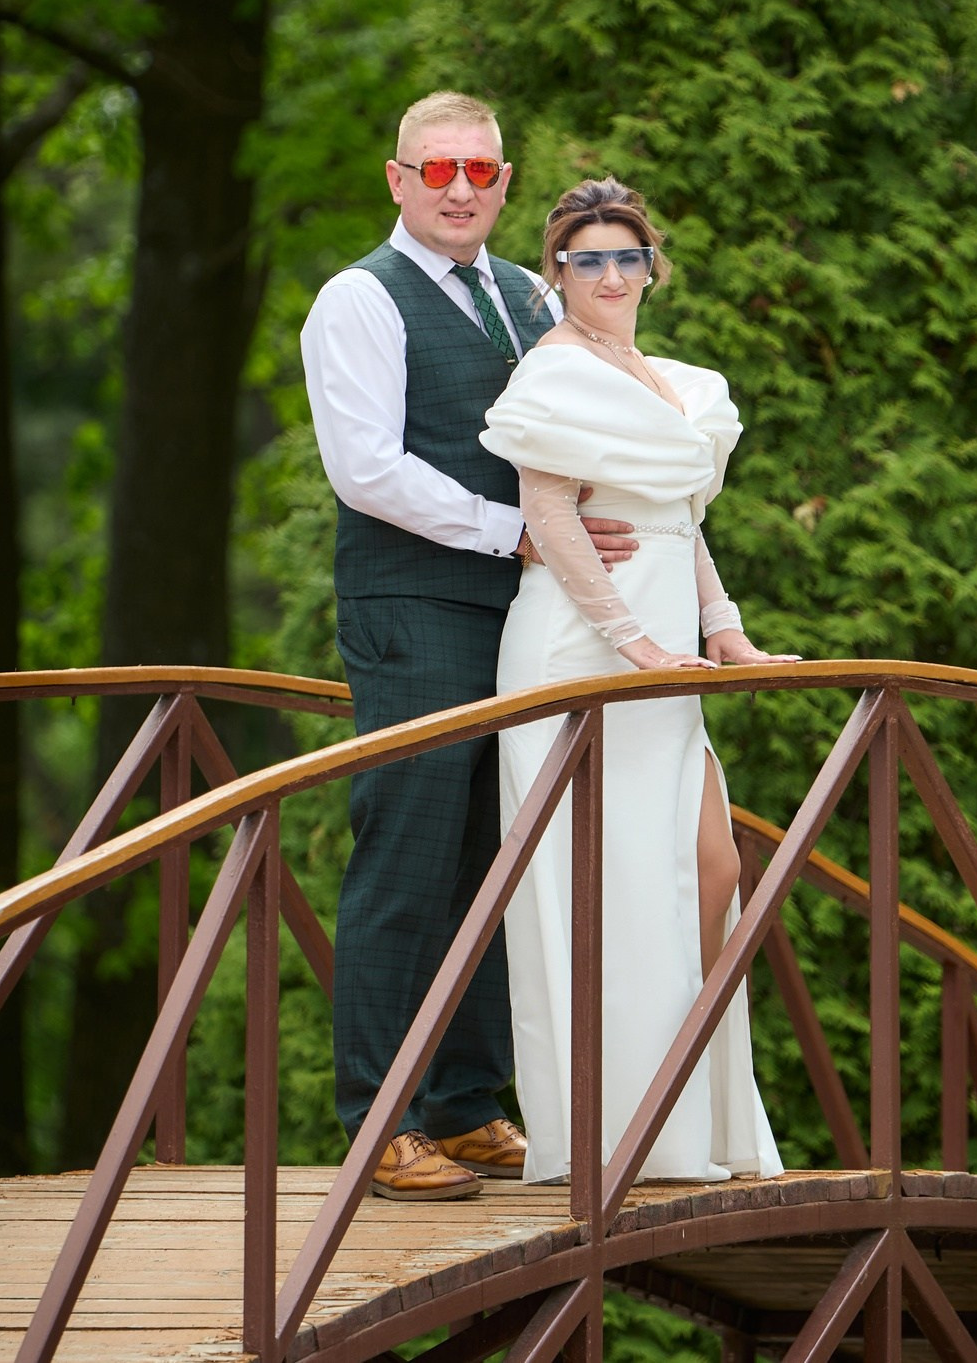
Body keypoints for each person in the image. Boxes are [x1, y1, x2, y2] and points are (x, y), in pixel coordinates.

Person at [299, 93, 638, 1201]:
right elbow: (369, 473)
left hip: (526, 619)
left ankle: (465, 1102)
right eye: (436, 169)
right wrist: (524, 537)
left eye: (480, 173)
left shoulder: (528, 294)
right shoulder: (359, 300)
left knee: (495, 856)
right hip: (416, 610)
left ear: (503, 183)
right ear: (396, 179)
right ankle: (376, 1120)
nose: (459, 189)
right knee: (406, 852)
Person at [479, 177, 797, 1183]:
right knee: (598, 889)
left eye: (626, 257)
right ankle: (616, 1138)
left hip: (668, 656)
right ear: (557, 273)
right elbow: (551, 512)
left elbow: (677, 525)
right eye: (586, 260)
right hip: (580, 648)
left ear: (652, 267)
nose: (609, 275)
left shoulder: (669, 379)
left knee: (711, 871)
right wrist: (629, 640)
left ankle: (688, 1119)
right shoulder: (552, 374)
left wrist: (727, 633)